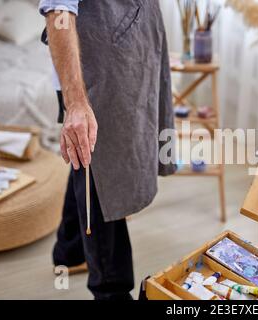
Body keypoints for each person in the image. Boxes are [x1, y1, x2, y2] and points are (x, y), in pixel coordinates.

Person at [39, 0, 176, 300]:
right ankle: (111, 290)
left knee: (85, 160)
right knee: (102, 170)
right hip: (94, 73)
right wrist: (76, 104)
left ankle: (70, 248)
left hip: (130, 54)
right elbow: (58, 11)